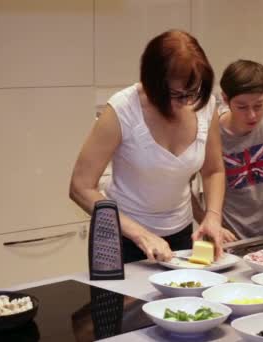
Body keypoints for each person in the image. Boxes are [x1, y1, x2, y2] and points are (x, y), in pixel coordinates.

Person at [69, 30, 235, 264]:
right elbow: (80, 187)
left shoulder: (205, 105)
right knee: (124, 302)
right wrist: (142, 234)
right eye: (176, 94)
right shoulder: (123, 110)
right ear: (152, 84)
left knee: (180, 300)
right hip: (121, 237)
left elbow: (213, 170)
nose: (187, 102)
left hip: (180, 234)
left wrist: (212, 216)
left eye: (193, 92)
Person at [192, 60, 263, 239]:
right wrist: (209, 221)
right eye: (242, 107)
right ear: (226, 99)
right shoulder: (209, 133)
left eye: (259, 106)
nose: (252, 115)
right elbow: (183, 190)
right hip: (225, 241)